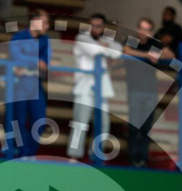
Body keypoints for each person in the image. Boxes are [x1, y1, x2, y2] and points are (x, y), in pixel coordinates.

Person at [67, 13, 121, 160]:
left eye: (98, 26)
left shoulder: (106, 40)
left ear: (103, 27)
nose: (95, 28)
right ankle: (73, 157)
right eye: (92, 25)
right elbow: (93, 50)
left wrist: (105, 46)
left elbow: (118, 50)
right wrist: (106, 48)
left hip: (102, 89)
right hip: (85, 87)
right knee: (80, 123)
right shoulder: (81, 38)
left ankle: (96, 156)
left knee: (104, 124)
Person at [121, 17, 171, 168]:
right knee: (134, 126)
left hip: (150, 90)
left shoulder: (154, 44)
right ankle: (132, 158)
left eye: (147, 29)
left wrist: (158, 54)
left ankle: (142, 158)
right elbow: (126, 51)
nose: (144, 32)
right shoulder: (132, 40)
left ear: (152, 32)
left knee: (146, 127)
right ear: (137, 29)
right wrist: (148, 55)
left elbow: (170, 55)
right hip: (134, 89)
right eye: (141, 28)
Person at [4, 8, 50, 158]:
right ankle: (23, 154)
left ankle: (29, 152)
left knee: (40, 121)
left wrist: (28, 64)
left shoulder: (45, 40)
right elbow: (17, 57)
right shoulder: (18, 37)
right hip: (19, 84)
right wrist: (35, 62)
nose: (47, 26)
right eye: (44, 22)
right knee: (20, 120)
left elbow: (46, 63)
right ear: (34, 21)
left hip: (36, 83)